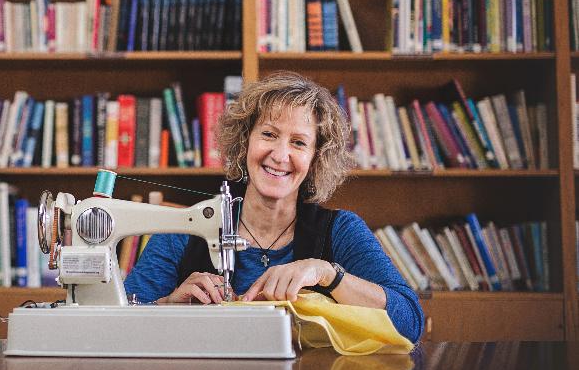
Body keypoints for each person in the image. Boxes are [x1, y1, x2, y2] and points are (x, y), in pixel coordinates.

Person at [124, 71, 424, 343]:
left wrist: (328, 275)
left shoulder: (341, 230)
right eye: (268, 134)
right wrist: (169, 306)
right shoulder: (185, 230)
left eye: (298, 142)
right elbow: (119, 320)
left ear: (315, 158)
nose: (280, 155)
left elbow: (410, 321)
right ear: (245, 141)